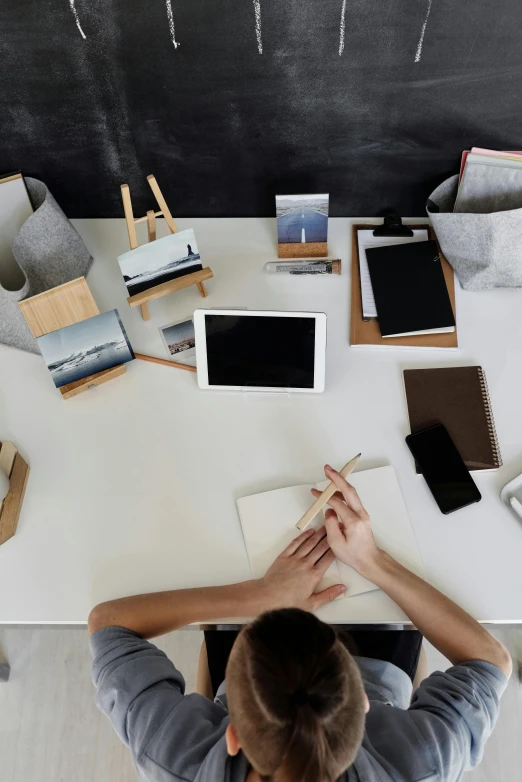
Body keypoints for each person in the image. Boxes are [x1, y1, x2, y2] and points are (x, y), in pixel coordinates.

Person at [88, 464, 512, 782]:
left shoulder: (172, 759)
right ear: (364, 704)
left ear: (233, 736)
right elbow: (490, 661)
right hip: (374, 667)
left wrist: (259, 597)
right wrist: (372, 561)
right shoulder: (422, 765)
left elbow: (109, 624)